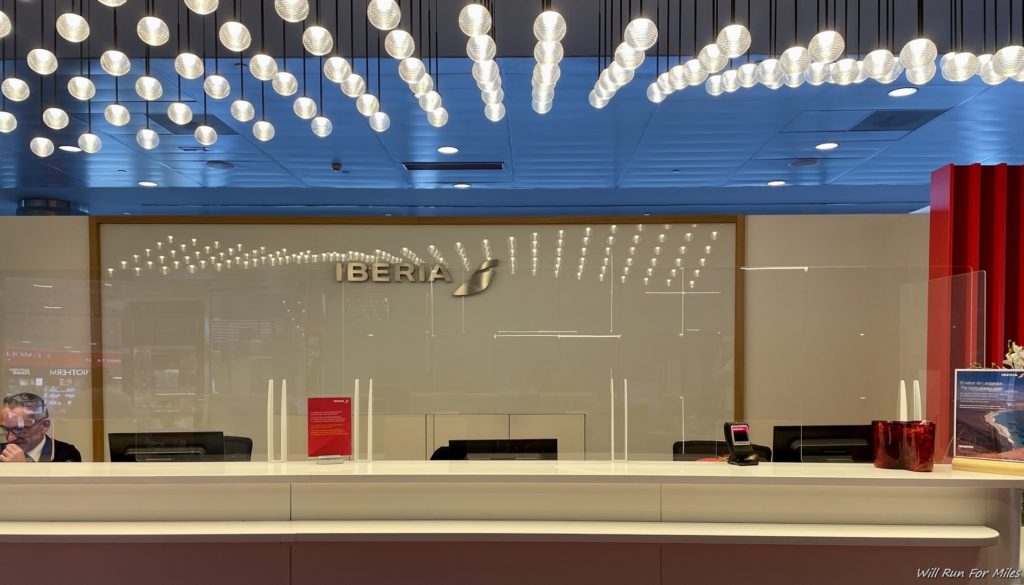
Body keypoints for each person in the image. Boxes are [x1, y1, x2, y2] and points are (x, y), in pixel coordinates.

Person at [0, 392, 81, 462]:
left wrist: (21, 470)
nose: (10, 438)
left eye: (19, 429)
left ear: (45, 425)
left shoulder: (66, 454)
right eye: (4, 429)